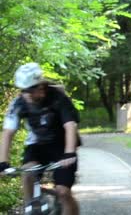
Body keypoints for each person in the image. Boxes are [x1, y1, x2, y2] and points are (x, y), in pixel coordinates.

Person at [0, 63, 80, 215]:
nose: (26, 94)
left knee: (63, 192)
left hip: (62, 146)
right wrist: (2, 162)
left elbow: (70, 126)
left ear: (41, 86)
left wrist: (69, 154)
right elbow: (8, 132)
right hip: (37, 146)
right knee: (27, 171)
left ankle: (63, 200)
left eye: (30, 90)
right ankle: (29, 207)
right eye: (23, 90)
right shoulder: (19, 103)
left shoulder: (58, 98)